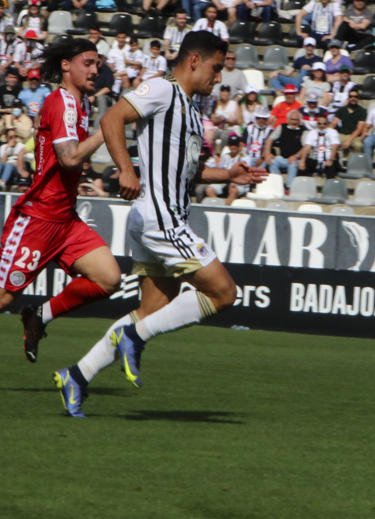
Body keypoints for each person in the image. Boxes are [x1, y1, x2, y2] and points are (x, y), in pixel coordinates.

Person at [51, 31, 265, 417]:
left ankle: (77, 376)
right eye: (216, 68)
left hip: (156, 219)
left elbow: (188, 171)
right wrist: (126, 170)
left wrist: (229, 175)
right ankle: (134, 337)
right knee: (224, 293)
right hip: (160, 216)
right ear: (195, 60)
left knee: (152, 311)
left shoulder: (191, 111)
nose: (218, 78)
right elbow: (113, 117)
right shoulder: (162, 89)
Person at [0, 39, 122, 389]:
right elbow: (68, 157)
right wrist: (107, 131)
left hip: (65, 220)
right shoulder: (61, 102)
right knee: (0, 298)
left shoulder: (80, 104)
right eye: (89, 63)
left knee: (109, 278)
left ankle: (40, 316)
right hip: (38, 220)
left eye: (98, 64)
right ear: (66, 65)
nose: (96, 70)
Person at [264, 107, 306, 188]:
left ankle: (290, 187)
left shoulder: (303, 130)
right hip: (283, 158)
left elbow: (305, 147)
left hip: (296, 159)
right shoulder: (282, 127)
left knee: (292, 164)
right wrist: (268, 154)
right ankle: (278, 185)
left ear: (299, 121)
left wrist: (296, 156)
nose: (294, 122)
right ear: (288, 120)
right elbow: (269, 139)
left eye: (296, 120)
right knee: (273, 162)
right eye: (292, 119)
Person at [298, 114, 340, 178]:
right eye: (319, 123)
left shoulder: (333, 132)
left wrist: (330, 160)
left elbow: (334, 147)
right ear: (317, 124)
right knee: (302, 167)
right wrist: (302, 161)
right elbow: (306, 148)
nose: (322, 125)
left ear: (327, 123)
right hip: (316, 160)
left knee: (330, 169)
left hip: (328, 159)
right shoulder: (312, 133)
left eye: (324, 123)